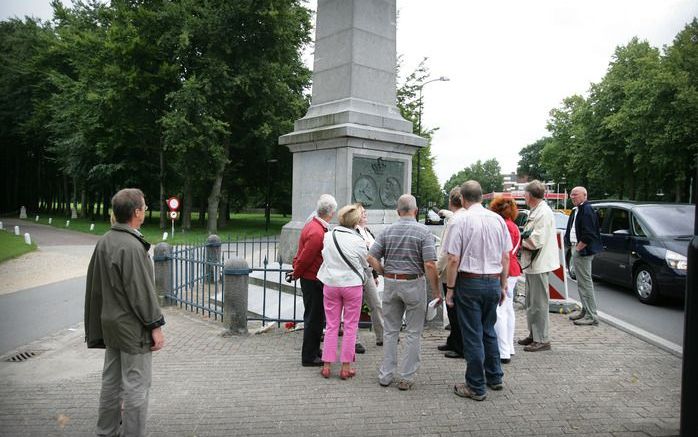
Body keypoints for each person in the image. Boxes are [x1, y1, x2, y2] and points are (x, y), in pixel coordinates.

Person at [85, 188, 165, 437]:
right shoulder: (132, 246)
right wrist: (156, 326)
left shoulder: (105, 241)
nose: (145, 211)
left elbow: (94, 288)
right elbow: (141, 293)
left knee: (111, 382)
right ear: (136, 212)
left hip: (110, 325)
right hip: (132, 329)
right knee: (136, 386)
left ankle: (105, 431)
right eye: (144, 207)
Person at [444, 181, 511, 401]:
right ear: (481, 197)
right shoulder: (498, 220)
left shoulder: (460, 220)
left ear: (462, 198)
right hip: (492, 281)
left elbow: (453, 258)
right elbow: (506, 256)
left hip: (470, 282)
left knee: (472, 335)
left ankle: (475, 385)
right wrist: (502, 285)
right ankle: (494, 376)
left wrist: (450, 289)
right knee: (488, 330)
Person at [367, 194, 441, 391]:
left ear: (398, 212)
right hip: (414, 283)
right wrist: (436, 292)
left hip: (391, 282)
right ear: (415, 211)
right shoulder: (423, 232)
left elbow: (371, 257)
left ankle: (386, 374)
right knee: (413, 332)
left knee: (391, 331)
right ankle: (406, 377)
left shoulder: (387, 231)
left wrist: (384, 272)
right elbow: (429, 264)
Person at [317, 204, 369, 379]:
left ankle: (326, 365)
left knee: (331, 325)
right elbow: (364, 263)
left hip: (331, 284)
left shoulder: (328, 236)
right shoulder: (358, 240)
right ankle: (346, 367)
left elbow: (325, 255)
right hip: (351, 285)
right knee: (350, 326)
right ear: (355, 222)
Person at [291, 194, 337, 367]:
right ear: (331, 213)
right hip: (312, 279)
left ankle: (314, 349)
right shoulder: (317, 232)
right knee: (314, 318)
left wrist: (297, 271)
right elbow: (306, 258)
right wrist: (296, 273)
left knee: (316, 317)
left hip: (312, 277)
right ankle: (309, 356)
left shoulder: (313, 225)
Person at [518, 180, 560, 352]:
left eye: (525, 194)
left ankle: (542, 339)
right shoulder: (537, 210)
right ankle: (534, 334)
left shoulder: (543, 212)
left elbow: (536, 240)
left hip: (539, 263)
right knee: (531, 302)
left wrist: (518, 240)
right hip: (534, 263)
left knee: (539, 303)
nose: (524, 196)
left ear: (529, 195)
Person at [489, 197, 522, 364]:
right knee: (508, 310)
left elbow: (505, 255)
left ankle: (502, 351)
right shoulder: (513, 225)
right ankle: (509, 346)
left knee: (499, 311)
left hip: (505, 271)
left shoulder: (503, 226)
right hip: (514, 269)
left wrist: (502, 277)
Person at [565, 186, 603, 326]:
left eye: (575, 194)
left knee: (585, 283)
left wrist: (578, 249)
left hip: (582, 250)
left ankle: (591, 315)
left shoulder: (586, 210)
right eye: (571, 195)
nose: (572, 197)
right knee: (581, 283)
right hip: (578, 248)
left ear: (584, 195)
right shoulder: (579, 210)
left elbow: (589, 234)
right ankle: (585, 310)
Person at [435, 187, 466, 359]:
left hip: (451, 272)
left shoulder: (455, 221)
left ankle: (458, 344)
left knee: (454, 311)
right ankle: (453, 339)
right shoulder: (460, 217)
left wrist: (437, 270)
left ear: (450, 201)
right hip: (460, 271)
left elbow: (447, 252)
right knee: (454, 310)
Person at [355, 204, 385, 346]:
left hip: (368, 273)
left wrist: (374, 274)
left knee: (376, 304)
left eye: (365, 212)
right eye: (362, 212)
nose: (365, 214)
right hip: (356, 273)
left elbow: (373, 255)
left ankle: (381, 336)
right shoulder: (353, 231)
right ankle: (354, 341)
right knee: (354, 308)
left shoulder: (367, 231)